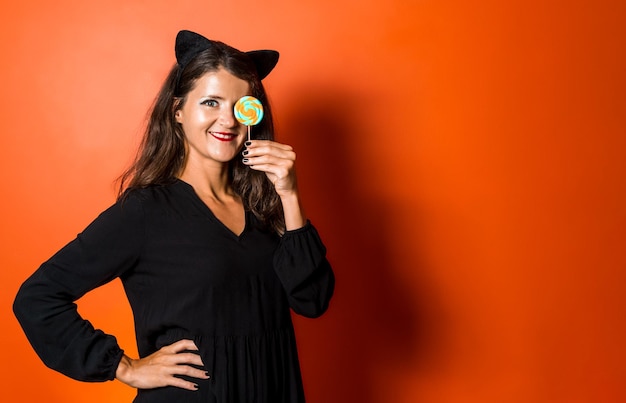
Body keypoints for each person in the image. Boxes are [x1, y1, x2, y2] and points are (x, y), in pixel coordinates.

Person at [13, 30, 335, 403]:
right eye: (211, 103)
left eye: (241, 105)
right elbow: (37, 297)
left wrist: (289, 194)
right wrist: (124, 367)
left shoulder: (264, 206)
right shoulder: (146, 211)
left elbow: (313, 300)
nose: (227, 120)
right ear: (177, 110)